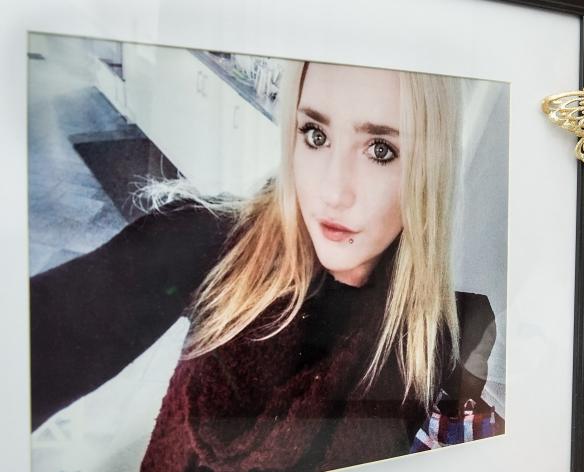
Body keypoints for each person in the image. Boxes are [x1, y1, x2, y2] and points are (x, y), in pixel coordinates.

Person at [30, 61, 499, 471]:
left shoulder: (452, 329)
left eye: (380, 150)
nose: (333, 192)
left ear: (428, 169)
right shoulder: (209, 242)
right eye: (315, 135)